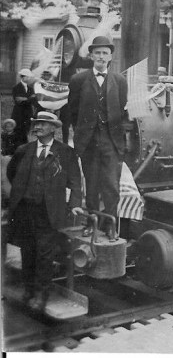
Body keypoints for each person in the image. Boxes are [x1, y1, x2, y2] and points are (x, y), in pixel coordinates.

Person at [5, 111, 83, 312]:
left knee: (44, 255)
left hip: (49, 212)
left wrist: (74, 203)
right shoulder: (24, 150)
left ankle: (41, 294)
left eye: (42, 123)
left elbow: (75, 181)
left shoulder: (65, 152)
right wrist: (23, 191)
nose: (37, 127)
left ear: (53, 128)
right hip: (24, 210)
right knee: (27, 252)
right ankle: (29, 290)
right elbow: (12, 173)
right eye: (35, 123)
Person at [68, 36, 128, 232]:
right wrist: (81, 135)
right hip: (88, 143)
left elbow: (122, 110)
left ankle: (110, 225)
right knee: (91, 186)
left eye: (105, 53)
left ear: (110, 56)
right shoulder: (78, 80)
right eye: (98, 53)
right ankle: (91, 224)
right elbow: (73, 112)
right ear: (91, 55)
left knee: (111, 186)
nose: (101, 56)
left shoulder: (120, 81)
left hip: (111, 142)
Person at [11, 68, 37, 146]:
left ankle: (24, 147)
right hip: (19, 113)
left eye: (29, 77)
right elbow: (18, 100)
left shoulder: (31, 88)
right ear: (22, 77)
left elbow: (33, 100)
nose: (29, 78)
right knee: (18, 130)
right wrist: (29, 98)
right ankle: (17, 148)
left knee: (26, 130)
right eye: (27, 77)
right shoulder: (16, 87)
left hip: (28, 112)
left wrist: (26, 99)